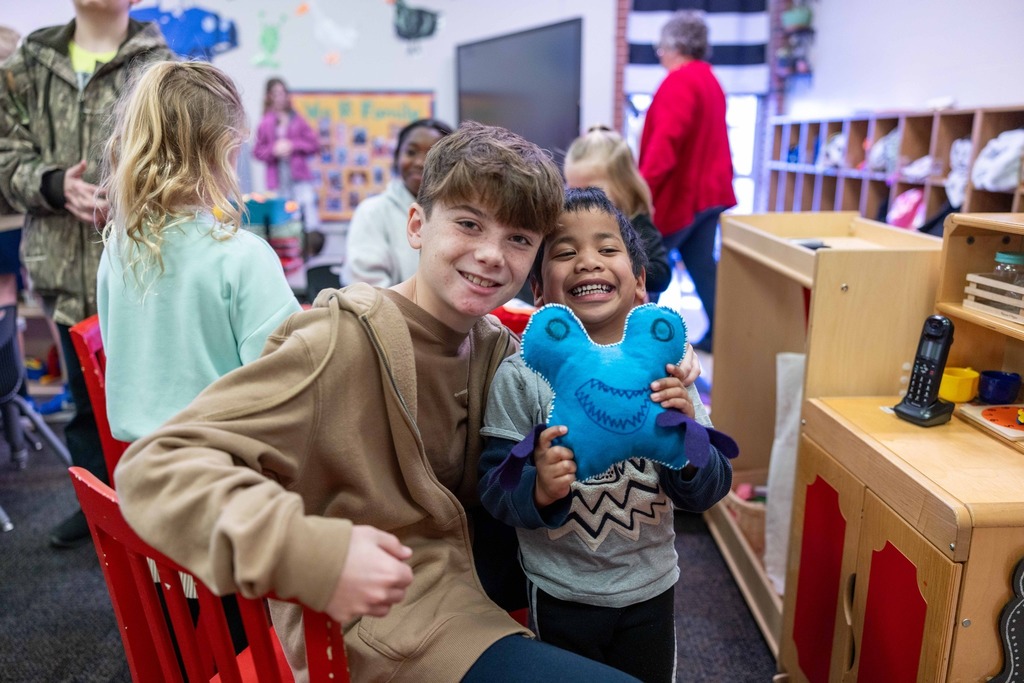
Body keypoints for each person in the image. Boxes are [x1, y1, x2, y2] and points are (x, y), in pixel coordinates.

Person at [114, 121, 645, 682]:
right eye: (468, 224)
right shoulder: (337, 341)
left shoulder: (493, 345)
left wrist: (650, 368)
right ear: (417, 225)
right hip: (389, 626)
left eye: (518, 239)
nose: (491, 255)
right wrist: (313, 554)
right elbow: (158, 465)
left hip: (474, 587)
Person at [478, 187, 732, 682]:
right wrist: (538, 486)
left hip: (652, 586)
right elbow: (493, 485)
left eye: (607, 248)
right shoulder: (521, 376)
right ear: (539, 292)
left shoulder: (667, 370)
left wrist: (687, 445)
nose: (587, 263)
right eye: (565, 253)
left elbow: (710, 489)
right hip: (560, 591)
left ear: (639, 282)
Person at [0, 0, 173, 548]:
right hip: (59, 263)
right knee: (82, 398)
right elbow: (5, 155)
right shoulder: (29, 62)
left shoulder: (160, 64)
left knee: (153, 396)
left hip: (144, 263)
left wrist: (128, 194)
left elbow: (182, 159)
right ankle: (96, 507)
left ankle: (157, 513)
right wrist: (55, 185)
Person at [98, 60, 302, 444]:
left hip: (141, 469)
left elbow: (122, 357)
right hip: (225, 469)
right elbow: (289, 383)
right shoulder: (242, 256)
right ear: (224, 150)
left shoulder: (118, 247)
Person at [638, 10, 737, 352]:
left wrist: (641, 190)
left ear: (674, 45)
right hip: (712, 194)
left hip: (685, 196)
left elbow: (666, 143)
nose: (659, 54)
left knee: (648, 265)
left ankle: (639, 338)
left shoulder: (679, 81)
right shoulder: (710, 79)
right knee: (701, 265)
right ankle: (723, 336)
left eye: (661, 47)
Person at [343, 117, 453, 287]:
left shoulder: (458, 214)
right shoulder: (372, 212)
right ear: (396, 157)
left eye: (432, 155)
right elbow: (368, 290)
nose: (420, 162)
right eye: (411, 152)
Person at [563, 126, 672, 297]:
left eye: (591, 190)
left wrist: (618, 263)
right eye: (572, 189)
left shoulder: (637, 221)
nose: (580, 200)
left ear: (622, 186)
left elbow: (661, 275)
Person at [253, 77, 324, 257]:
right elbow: (257, 151)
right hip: (278, 183)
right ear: (268, 96)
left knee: (308, 219)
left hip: (300, 180)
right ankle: (286, 257)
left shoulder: (297, 120)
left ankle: (308, 254)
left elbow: (314, 144)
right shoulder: (265, 122)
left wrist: (293, 145)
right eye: (275, 93)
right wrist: (274, 150)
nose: (279, 97)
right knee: (282, 223)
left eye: (282, 92)